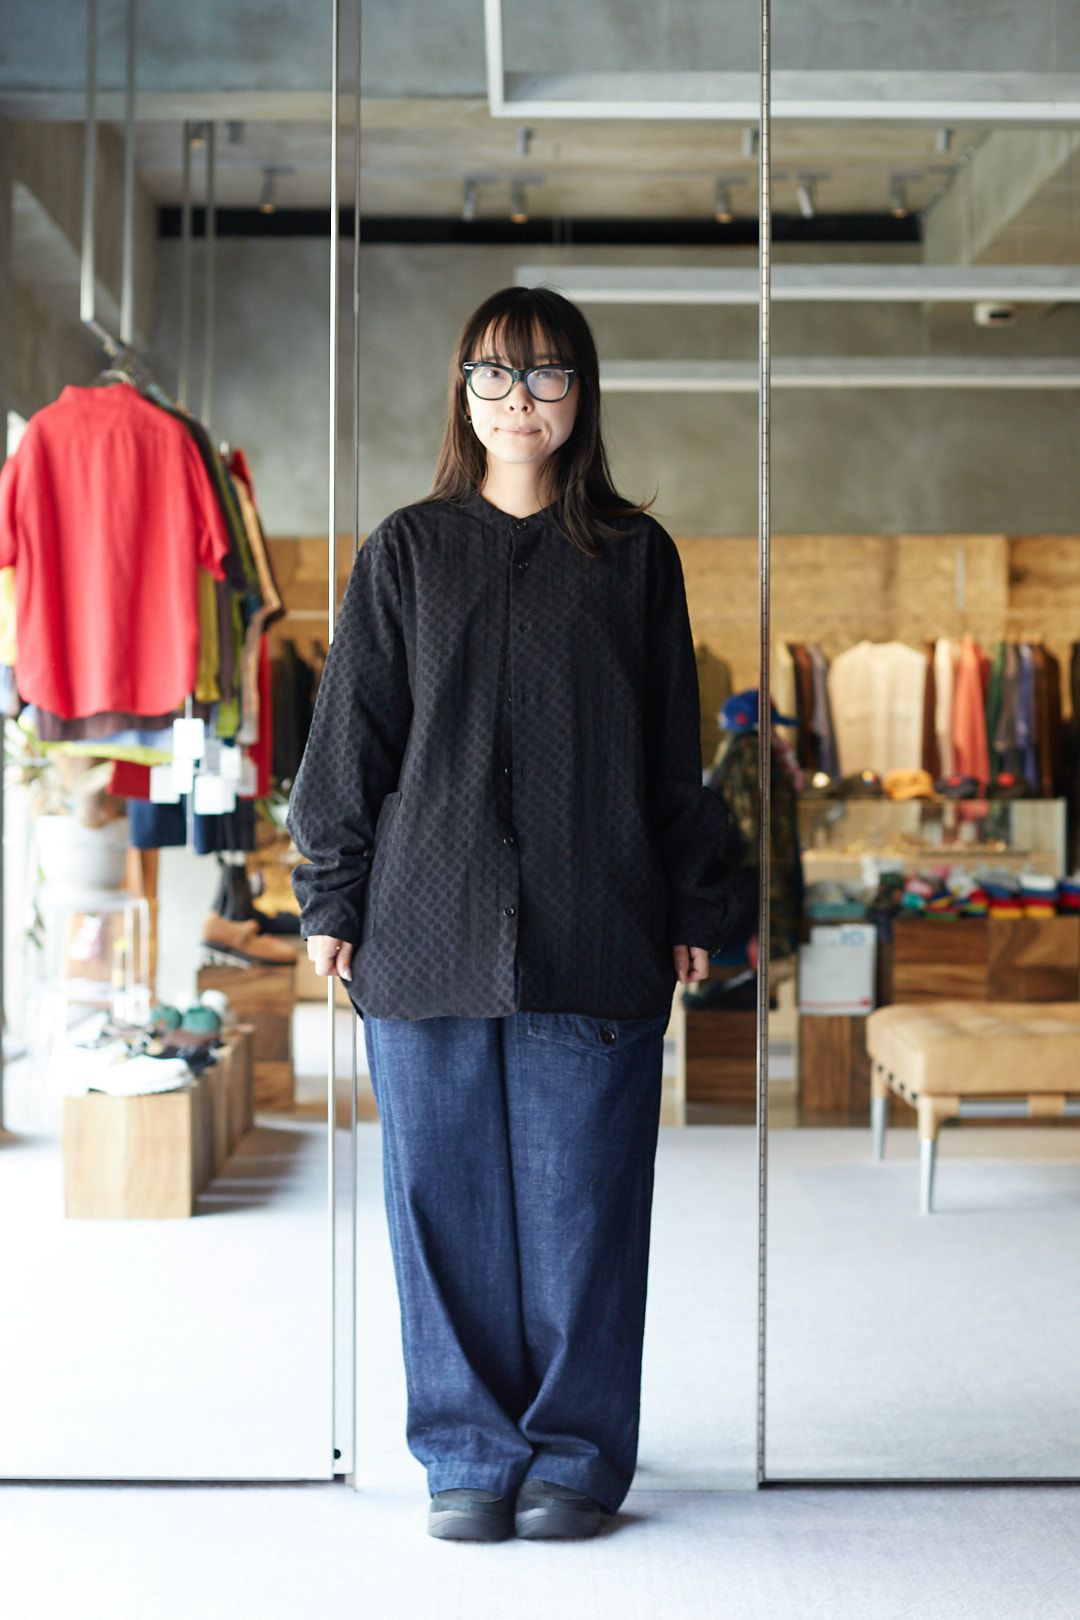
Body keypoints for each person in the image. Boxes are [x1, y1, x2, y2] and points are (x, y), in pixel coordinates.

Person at [286, 285, 739, 1542]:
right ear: (463, 392)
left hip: (599, 918)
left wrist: (695, 895)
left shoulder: (635, 557)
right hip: (423, 923)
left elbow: (671, 746)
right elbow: (352, 739)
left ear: (581, 395)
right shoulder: (405, 551)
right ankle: (468, 1455)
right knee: (442, 1207)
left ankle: (575, 1456)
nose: (518, 400)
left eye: (545, 375)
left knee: (585, 1205)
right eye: (493, 374)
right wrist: (332, 894)